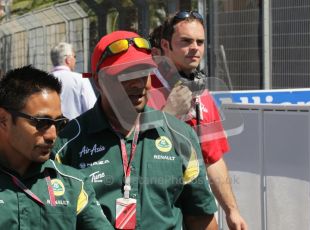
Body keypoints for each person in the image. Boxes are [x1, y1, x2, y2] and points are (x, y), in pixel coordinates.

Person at [53, 30, 218, 229]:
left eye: (143, 73)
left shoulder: (181, 135)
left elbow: (200, 217)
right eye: (126, 76)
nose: (138, 84)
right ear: (99, 81)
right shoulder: (67, 143)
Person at [149, 11, 248, 230]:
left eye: (200, 42)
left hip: (195, 206)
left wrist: (232, 211)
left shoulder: (201, 92)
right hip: (152, 208)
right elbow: (131, 155)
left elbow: (212, 158)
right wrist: (169, 113)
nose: (195, 48)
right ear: (166, 45)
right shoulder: (141, 88)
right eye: (185, 41)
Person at [0, 65, 113, 229]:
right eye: (41, 123)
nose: (52, 135)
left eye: (59, 124)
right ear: (4, 120)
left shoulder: (74, 185)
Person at [50, 42, 97, 119]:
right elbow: (92, 109)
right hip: (77, 129)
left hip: (52, 129)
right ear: (68, 60)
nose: (75, 60)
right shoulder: (81, 78)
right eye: (74, 56)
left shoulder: (43, 81)